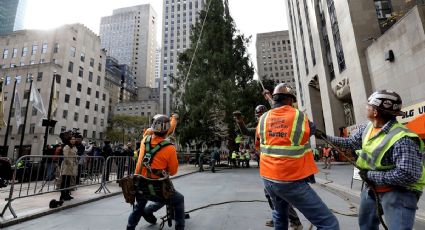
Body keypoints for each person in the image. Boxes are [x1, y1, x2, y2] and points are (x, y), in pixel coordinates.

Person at [316, 90, 425, 230]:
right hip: (371, 188)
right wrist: (324, 136)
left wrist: (370, 175)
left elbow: (408, 175)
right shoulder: (367, 128)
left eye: (368, 105)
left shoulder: (403, 139)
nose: (365, 107)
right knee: (366, 226)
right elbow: (350, 143)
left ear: (375, 112)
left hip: (399, 193)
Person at [256, 83, 339, 230]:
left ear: (274, 99)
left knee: (280, 216)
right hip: (290, 180)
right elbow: (312, 128)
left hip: (268, 179)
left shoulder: (262, 119)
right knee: (329, 224)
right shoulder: (298, 117)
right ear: (290, 101)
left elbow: (259, 144)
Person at [235, 103, 303, 229]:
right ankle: (278, 217)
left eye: (261, 115)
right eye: (257, 116)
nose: (259, 118)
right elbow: (245, 131)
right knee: (270, 195)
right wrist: (240, 122)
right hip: (267, 167)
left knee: (279, 194)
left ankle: (294, 221)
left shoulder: (274, 126)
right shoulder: (259, 128)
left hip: (277, 166)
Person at [127, 114, 185, 230]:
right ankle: (179, 227)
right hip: (159, 188)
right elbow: (173, 172)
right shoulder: (170, 148)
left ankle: (130, 226)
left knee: (139, 206)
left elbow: (161, 130)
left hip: (140, 185)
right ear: (166, 131)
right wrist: (174, 118)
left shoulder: (144, 141)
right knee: (178, 199)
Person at [59, 132, 78, 201]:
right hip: (67, 165)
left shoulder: (74, 147)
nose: (73, 140)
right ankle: (62, 195)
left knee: (68, 181)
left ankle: (67, 194)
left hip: (72, 166)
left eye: (74, 139)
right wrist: (70, 162)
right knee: (64, 180)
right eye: (72, 139)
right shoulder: (67, 147)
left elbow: (75, 155)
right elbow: (66, 156)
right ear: (69, 140)